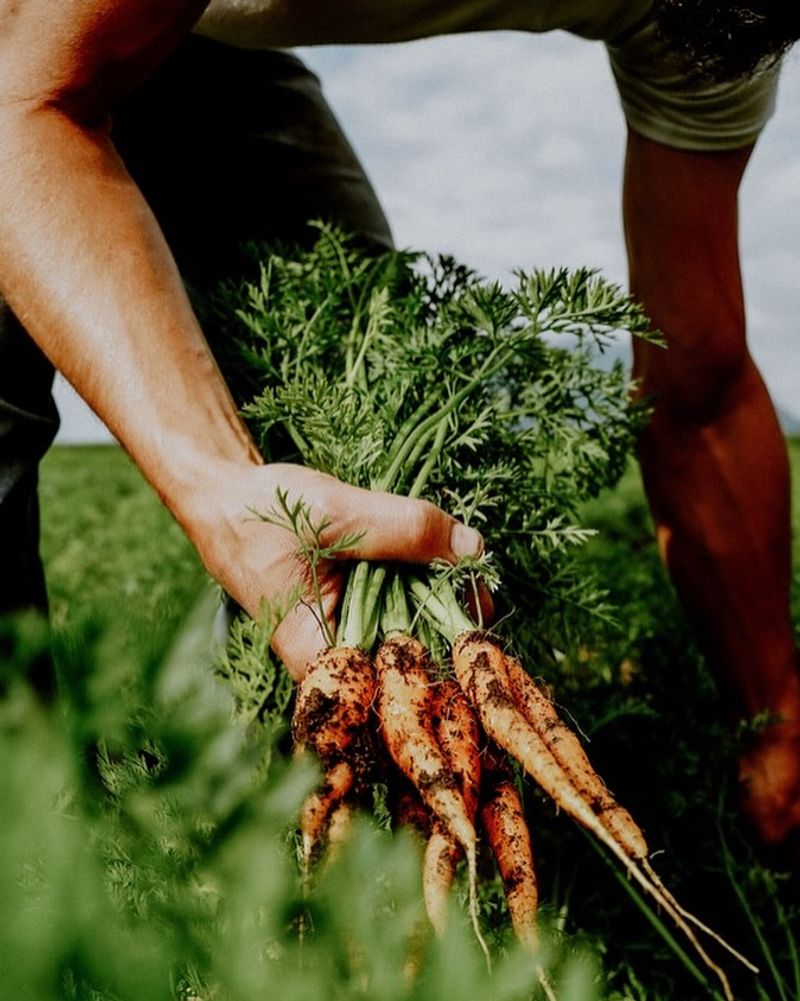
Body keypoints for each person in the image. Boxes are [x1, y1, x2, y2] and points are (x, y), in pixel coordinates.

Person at [0, 0, 798, 848]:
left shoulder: (723, 16)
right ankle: (33, 880)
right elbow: (23, 101)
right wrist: (215, 482)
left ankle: (278, 836)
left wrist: (777, 714)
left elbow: (700, 392)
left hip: (206, 41)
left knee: (367, 390)